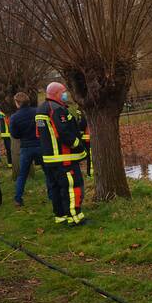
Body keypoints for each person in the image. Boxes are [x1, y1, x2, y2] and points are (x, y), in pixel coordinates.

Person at [36, 82, 87, 226]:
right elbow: (64, 134)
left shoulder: (41, 109)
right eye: (63, 92)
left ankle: (60, 215)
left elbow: (39, 134)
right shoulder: (57, 110)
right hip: (64, 158)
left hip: (49, 158)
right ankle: (75, 217)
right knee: (72, 186)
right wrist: (80, 147)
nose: (65, 94)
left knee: (56, 188)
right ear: (57, 93)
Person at [10, 92, 51, 207]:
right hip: (40, 146)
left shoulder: (15, 117)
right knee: (48, 172)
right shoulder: (37, 112)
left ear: (17, 103)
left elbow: (15, 134)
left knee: (22, 174)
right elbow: (43, 127)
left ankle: (18, 199)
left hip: (26, 148)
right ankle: (52, 195)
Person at [72, 106, 92, 177]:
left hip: (85, 136)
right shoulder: (84, 108)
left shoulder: (80, 108)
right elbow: (82, 122)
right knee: (90, 156)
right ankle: (90, 173)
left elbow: (80, 122)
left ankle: (89, 173)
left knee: (87, 156)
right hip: (87, 136)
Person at [0, 103, 13, 168]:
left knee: (10, 149)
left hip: (8, 133)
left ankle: (11, 163)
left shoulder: (3, 113)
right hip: (7, 134)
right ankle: (10, 164)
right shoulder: (2, 113)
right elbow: (7, 122)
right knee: (9, 149)